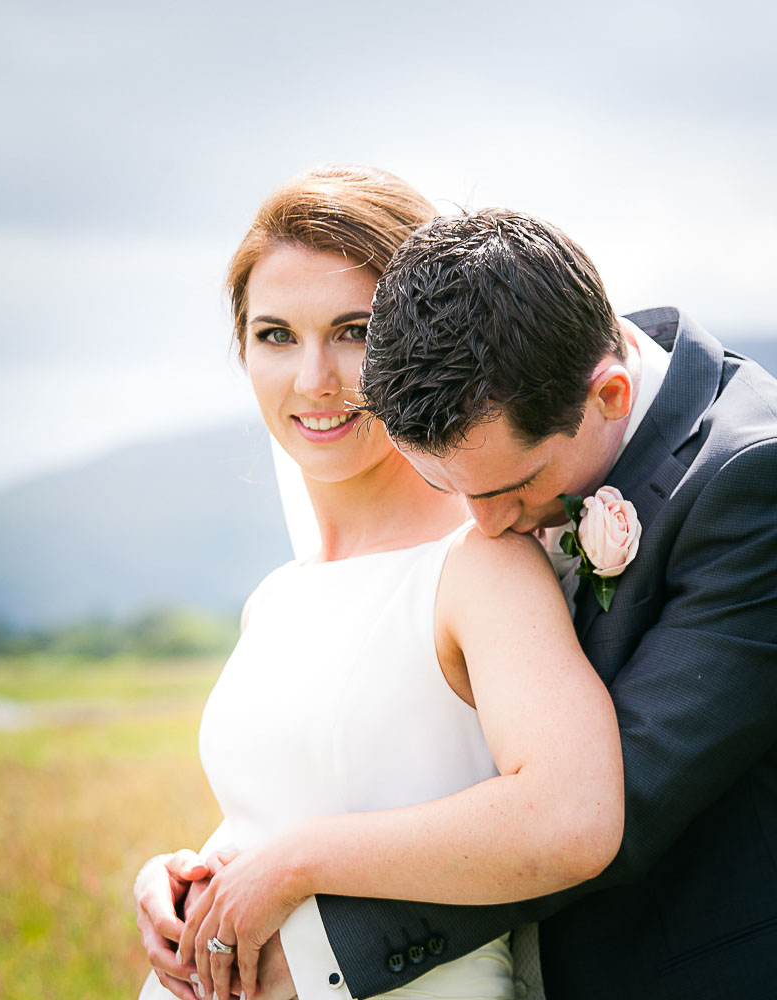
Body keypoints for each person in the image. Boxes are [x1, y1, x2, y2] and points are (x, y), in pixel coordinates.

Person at [133, 171, 625, 1000]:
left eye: (354, 331)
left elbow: (569, 817)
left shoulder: (481, 566)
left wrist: (294, 863)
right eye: (275, 335)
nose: (315, 378)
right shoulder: (276, 597)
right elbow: (287, 801)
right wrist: (190, 881)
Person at [345, 210, 777, 1000]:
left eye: (513, 490)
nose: (485, 528)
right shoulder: (521, 404)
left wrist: (323, 941)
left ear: (610, 394)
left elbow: (613, 808)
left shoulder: (753, 484)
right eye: (450, 491)